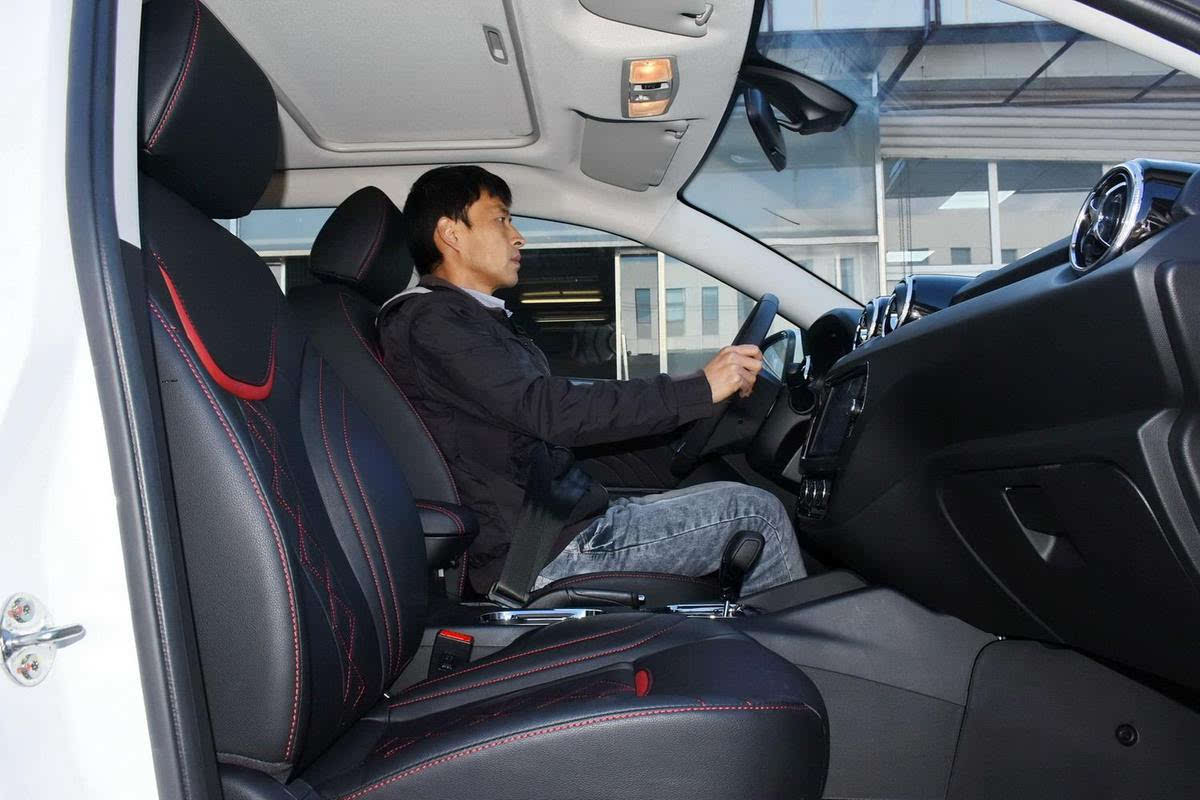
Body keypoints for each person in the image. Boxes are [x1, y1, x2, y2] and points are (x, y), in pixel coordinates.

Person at [378, 165, 806, 598]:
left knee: (736, 499)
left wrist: (693, 394)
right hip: (538, 551)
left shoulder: (469, 319)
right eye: (501, 219)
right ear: (451, 233)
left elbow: (543, 411)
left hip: (555, 523)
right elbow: (550, 410)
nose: (517, 237)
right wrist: (700, 388)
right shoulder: (434, 321)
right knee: (757, 514)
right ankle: (805, 642)